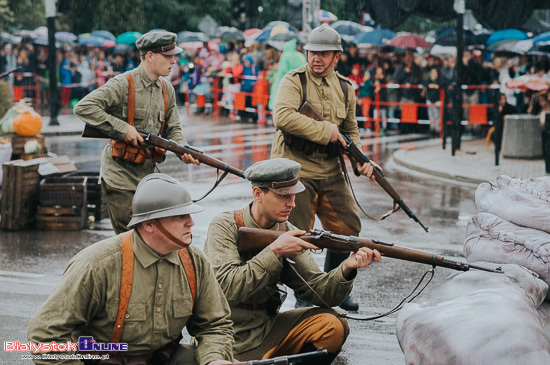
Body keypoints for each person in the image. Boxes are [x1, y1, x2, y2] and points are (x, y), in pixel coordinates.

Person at [27, 173, 235, 365]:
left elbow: (214, 325)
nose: (190, 222)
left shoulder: (194, 262)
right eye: (179, 215)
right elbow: (44, 335)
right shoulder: (96, 265)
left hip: (162, 358)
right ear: (150, 224)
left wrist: (214, 360)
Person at [203, 158, 381, 363]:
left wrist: (347, 268)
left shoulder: (287, 232)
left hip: (265, 331)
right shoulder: (225, 226)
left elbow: (320, 291)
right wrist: (275, 252)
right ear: (258, 194)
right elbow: (227, 287)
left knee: (333, 325)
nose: (293, 203)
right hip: (223, 338)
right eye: (283, 196)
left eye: (294, 195)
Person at [270, 23, 379, 312]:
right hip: (296, 170)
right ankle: (304, 294)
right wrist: (324, 131)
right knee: (298, 233)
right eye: (312, 52)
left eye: (323, 53)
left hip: (330, 170)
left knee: (348, 228)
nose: (316, 58)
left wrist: (361, 160)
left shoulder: (345, 87)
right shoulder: (295, 80)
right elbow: (281, 116)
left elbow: (350, 130)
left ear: (336, 57)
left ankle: (336, 288)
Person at [74, 31, 199, 235]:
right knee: (132, 239)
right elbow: (84, 107)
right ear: (150, 56)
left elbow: (173, 129)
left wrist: (182, 149)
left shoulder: (167, 90)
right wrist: (123, 129)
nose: (174, 61)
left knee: (150, 239)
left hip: (147, 179)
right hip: (120, 176)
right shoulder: (123, 83)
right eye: (168, 56)